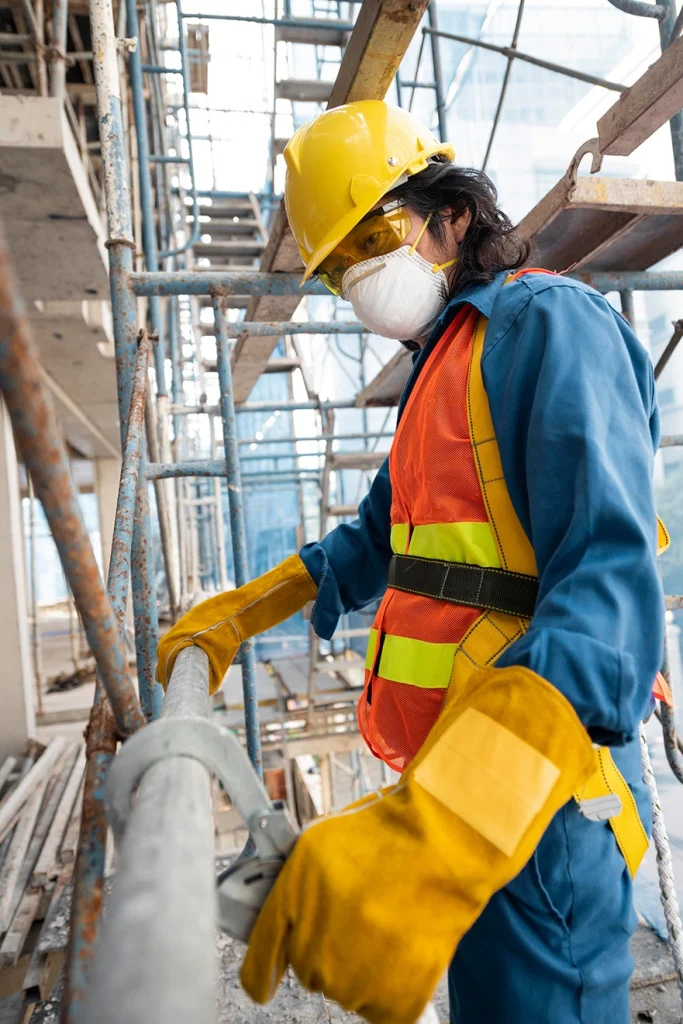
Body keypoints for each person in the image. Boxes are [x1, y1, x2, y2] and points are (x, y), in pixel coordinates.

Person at [157, 101, 667, 1024]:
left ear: (451, 215)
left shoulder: (549, 326)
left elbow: (607, 603)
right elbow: (375, 540)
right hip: (457, 780)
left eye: (374, 237)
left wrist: (442, 823)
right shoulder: (446, 363)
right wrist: (243, 612)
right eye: (339, 265)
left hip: (533, 796)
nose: (360, 277)